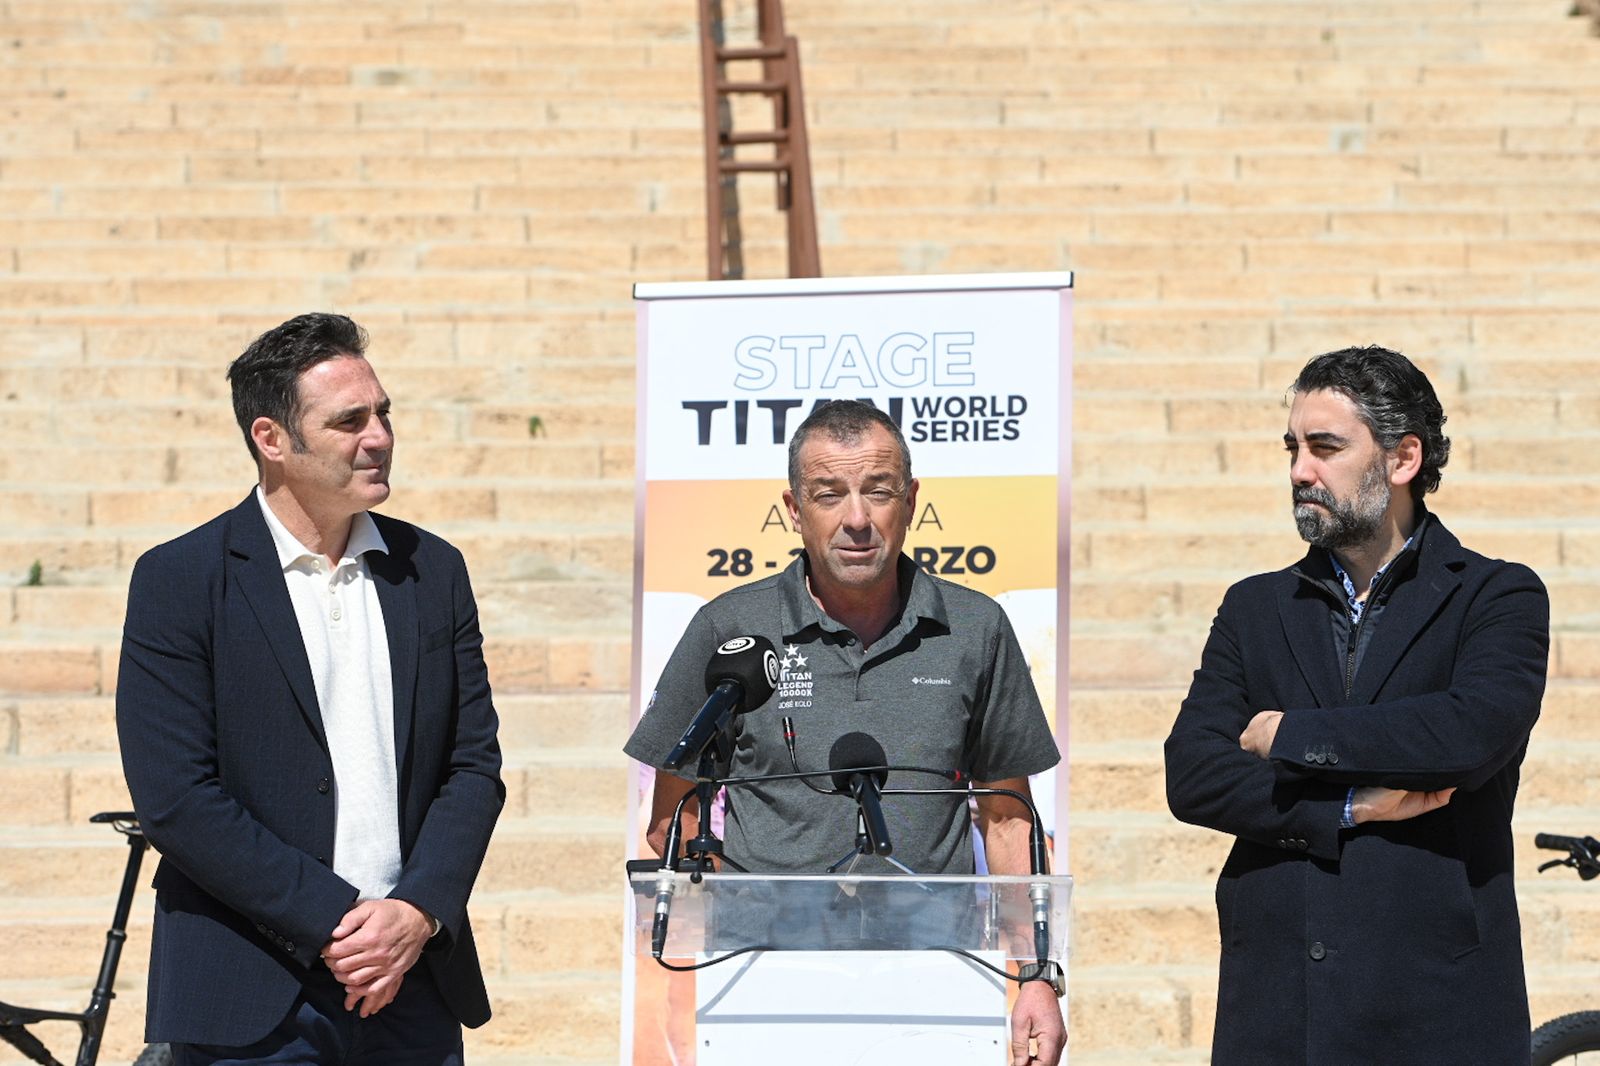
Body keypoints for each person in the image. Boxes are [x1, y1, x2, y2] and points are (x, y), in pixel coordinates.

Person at [624, 399, 1066, 1066]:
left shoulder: (977, 630)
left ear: (911, 500)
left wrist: (1035, 976)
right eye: (829, 495)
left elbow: (1008, 824)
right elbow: (671, 820)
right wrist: (733, 928)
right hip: (758, 981)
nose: (856, 519)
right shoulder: (728, 630)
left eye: (878, 491)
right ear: (795, 509)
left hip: (938, 974)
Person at [115, 313, 504, 1065]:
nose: (380, 436)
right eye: (349, 420)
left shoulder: (435, 571)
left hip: (410, 982)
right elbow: (176, 799)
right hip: (251, 992)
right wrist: (338, 920)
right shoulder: (181, 579)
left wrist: (416, 912)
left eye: (383, 413)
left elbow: (473, 767)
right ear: (271, 439)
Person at [1165, 345, 1549, 1064]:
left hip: (1436, 1011)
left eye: (1325, 447)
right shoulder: (1255, 607)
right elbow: (1192, 773)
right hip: (1279, 1012)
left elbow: (1466, 734)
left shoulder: (1496, 596)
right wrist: (1344, 807)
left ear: (1403, 460)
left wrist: (1286, 734)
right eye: (1292, 448)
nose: (1298, 471)